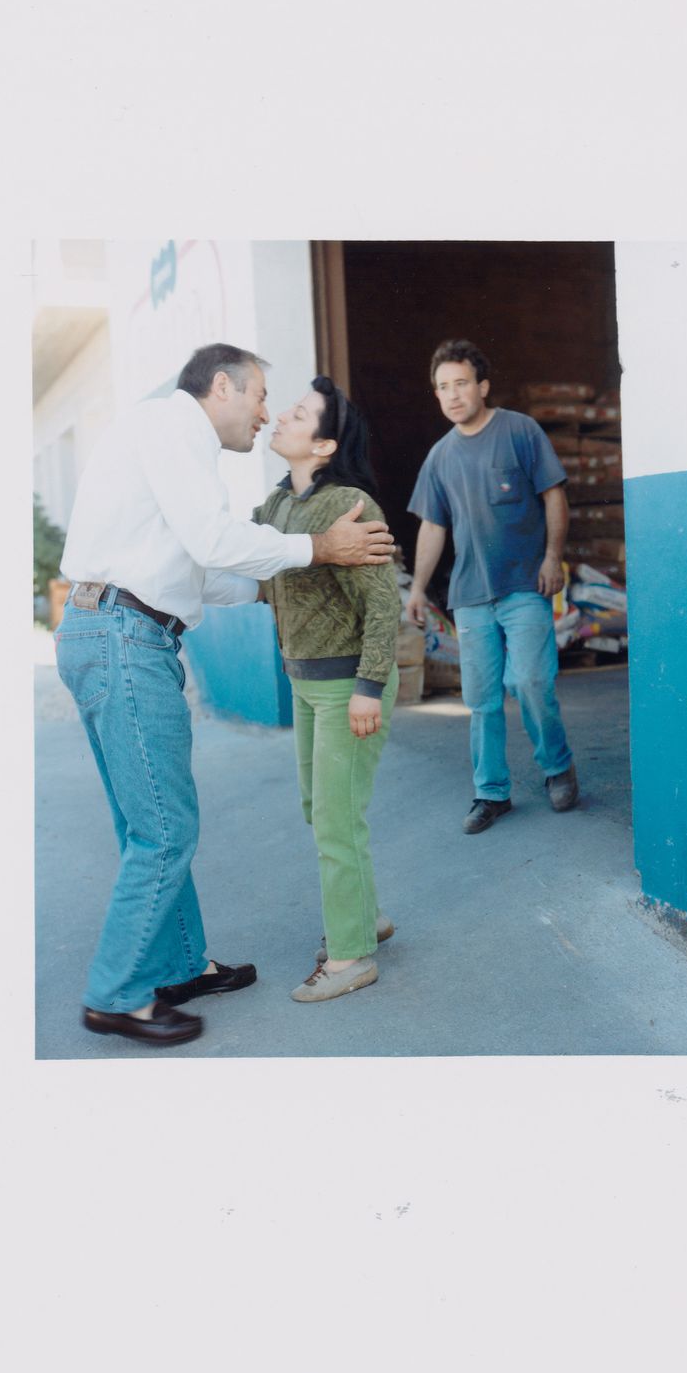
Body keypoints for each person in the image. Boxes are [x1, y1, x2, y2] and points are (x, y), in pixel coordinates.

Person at [55, 343, 395, 1047]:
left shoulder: (173, 445)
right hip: (122, 637)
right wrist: (316, 552)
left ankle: (181, 965)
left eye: (287, 407)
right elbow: (216, 542)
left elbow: (209, 572)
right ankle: (116, 994)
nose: (267, 413)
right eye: (263, 396)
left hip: (116, 631)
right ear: (222, 388)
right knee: (164, 830)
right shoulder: (173, 430)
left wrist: (296, 571)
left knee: (147, 824)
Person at [256, 378, 400, 1003]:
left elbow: (384, 603)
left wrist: (370, 686)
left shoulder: (350, 504)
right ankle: (363, 915)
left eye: (298, 413)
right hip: (306, 682)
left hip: (349, 687)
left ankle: (350, 957)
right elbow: (251, 562)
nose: (281, 417)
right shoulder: (274, 508)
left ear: (324, 444)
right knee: (323, 811)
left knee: (335, 822)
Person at [406, 340, 578, 834]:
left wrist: (552, 557)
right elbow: (433, 527)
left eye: (461, 384)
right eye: (442, 387)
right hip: (470, 596)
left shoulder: (519, 431)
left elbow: (553, 496)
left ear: (482, 386)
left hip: (525, 583)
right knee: (480, 701)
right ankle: (491, 792)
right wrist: (418, 588)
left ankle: (557, 766)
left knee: (529, 682)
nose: (452, 395)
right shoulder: (439, 457)